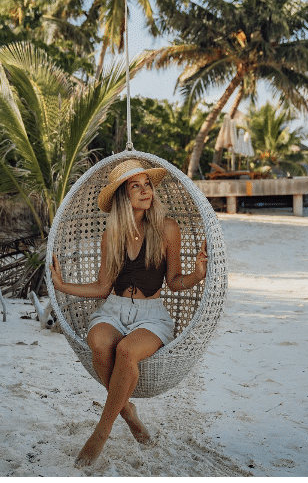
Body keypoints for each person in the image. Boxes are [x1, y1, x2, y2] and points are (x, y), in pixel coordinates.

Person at [49, 159, 209, 467]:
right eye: (135, 186)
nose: (145, 190)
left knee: (124, 351)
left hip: (152, 315)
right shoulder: (112, 234)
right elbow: (101, 287)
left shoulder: (167, 229)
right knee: (98, 344)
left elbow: (175, 282)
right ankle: (128, 412)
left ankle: (102, 431)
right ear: (123, 195)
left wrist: (197, 274)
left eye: (147, 184)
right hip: (114, 309)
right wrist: (62, 285)